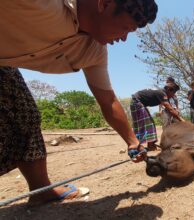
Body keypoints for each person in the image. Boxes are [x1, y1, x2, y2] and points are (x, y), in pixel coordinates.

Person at [0, 0, 158, 205]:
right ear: (104, 4)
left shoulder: (94, 53)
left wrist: (132, 141)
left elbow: (108, 101)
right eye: (126, 27)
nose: (124, 38)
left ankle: (41, 190)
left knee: (26, 114)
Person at [130, 82, 184, 150]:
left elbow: (172, 109)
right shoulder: (162, 93)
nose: (174, 95)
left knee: (149, 124)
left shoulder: (162, 93)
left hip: (138, 102)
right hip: (136, 102)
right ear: (169, 90)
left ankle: (150, 145)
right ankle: (146, 146)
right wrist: (182, 120)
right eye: (174, 92)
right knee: (148, 125)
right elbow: (171, 110)